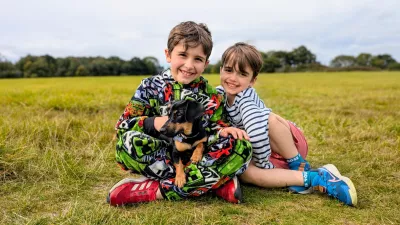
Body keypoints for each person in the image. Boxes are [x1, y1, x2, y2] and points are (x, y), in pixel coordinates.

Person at [107, 22, 253, 206]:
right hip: (161, 154)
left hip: (199, 156)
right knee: (126, 143)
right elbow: (122, 126)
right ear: (168, 55)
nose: (189, 65)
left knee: (242, 146)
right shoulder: (149, 86)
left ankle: (156, 190)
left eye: (198, 59)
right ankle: (214, 183)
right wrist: (152, 123)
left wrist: (225, 131)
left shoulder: (212, 95)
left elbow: (216, 127)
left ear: (206, 63)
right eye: (183, 55)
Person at [216, 42, 358, 206]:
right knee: (246, 173)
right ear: (221, 70)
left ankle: (299, 165)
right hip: (263, 150)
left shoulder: (245, 100)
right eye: (228, 70)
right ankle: (311, 178)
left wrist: (264, 166)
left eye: (242, 74)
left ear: (252, 80)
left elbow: (256, 133)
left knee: (270, 119)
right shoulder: (219, 94)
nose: (233, 78)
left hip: (285, 143)